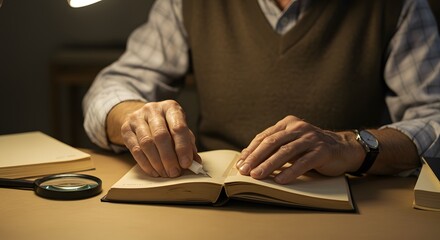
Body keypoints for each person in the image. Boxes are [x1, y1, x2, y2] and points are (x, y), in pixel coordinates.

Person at [83, 0, 440, 184]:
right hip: (212, 200)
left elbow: (435, 116)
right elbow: (114, 86)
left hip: (345, 204)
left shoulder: (398, 5)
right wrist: (132, 117)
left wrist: (353, 145)